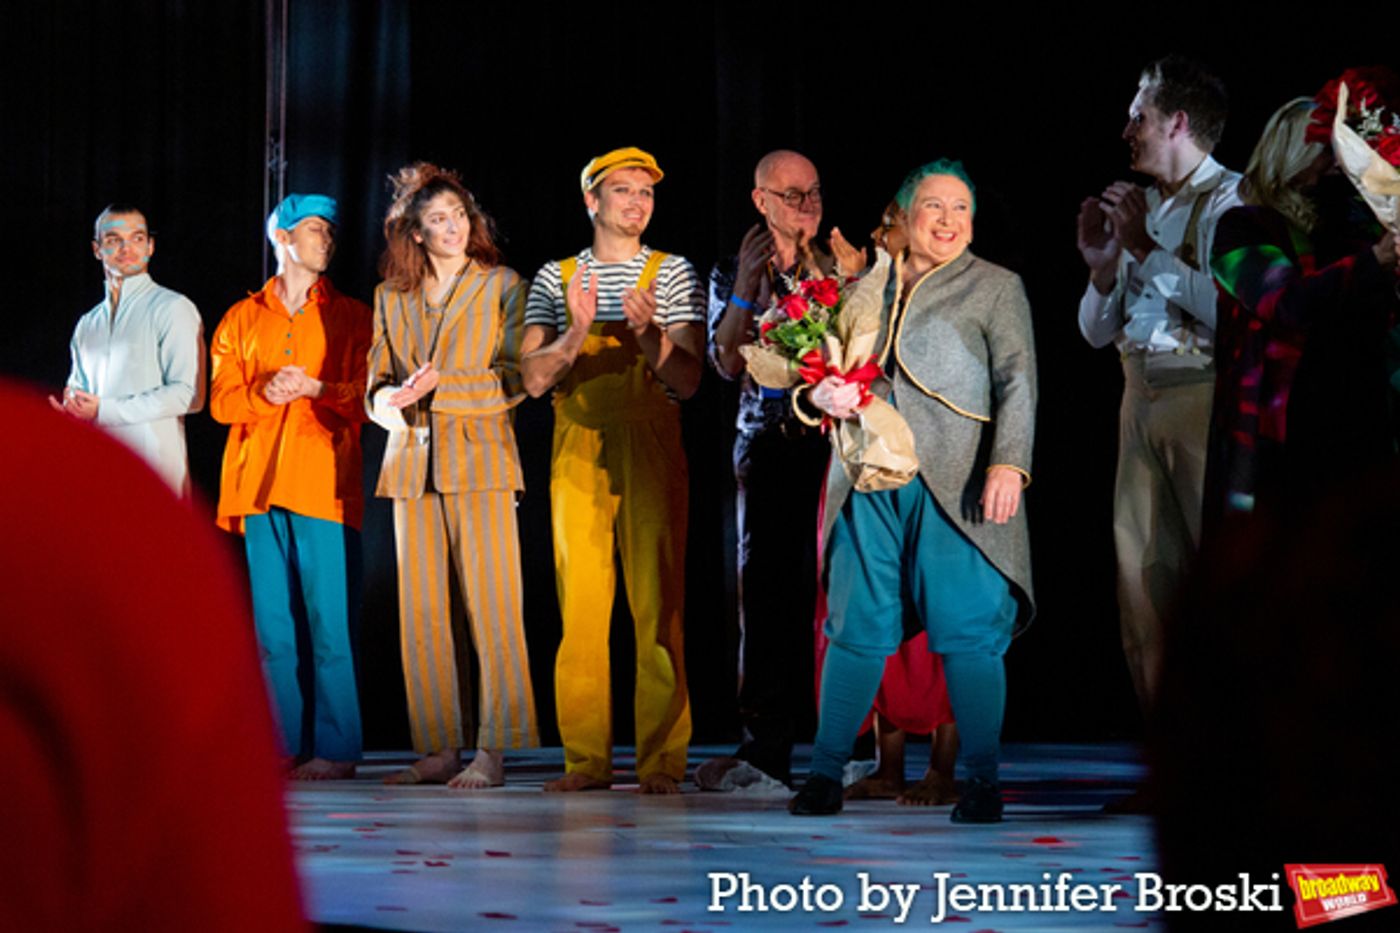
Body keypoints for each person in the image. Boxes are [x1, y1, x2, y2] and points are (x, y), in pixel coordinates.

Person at [3, 382, 306, 932]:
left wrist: (105, 409)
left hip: (164, 468)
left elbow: (189, 393)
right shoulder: (69, 482)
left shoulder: (87, 491)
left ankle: (330, 745)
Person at [790, 160, 1036, 823]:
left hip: (956, 481)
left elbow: (1017, 380)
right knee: (855, 624)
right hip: (867, 477)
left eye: (961, 208)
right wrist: (816, 396)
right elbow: (811, 367)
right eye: (934, 205)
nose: (948, 219)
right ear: (902, 214)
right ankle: (824, 775)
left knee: (968, 629)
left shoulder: (995, 287)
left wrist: (1009, 464)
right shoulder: (861, 286)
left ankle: (980, 781)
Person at [522, 146, 705, 794]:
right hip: (578, 444)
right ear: (591, 200)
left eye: (646, 192)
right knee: (580, 608)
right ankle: (585, 761)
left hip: (650, 439)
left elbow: (690, 378)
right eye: (623, 190)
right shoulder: (556, 277)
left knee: (659, 605)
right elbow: (533, 379)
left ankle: (661, 760)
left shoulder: (672, 271)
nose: (637, 202)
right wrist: (575, 331)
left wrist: (650, 332)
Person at [1075, 55, 1241, 712]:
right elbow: (1095, 333)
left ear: (1177, 123)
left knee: (1213, 574)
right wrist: (1102, 269)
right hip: (1136, 396)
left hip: (1201, 395)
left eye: (1138, 117)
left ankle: (1233, 742)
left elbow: (1232, 313)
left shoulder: (1233, 199)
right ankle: (1168, 743)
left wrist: (1144, 249)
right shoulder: (1142, 209)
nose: (1126, 131)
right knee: (1141, 576)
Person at [367, 163, 539, 788]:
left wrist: (441, 389)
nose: (453, 229)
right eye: (438, 221)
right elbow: (377, 381)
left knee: (493, 608)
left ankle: (494, 748)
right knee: (422, 614)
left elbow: (517, 377)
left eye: (459, 217)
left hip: (482, 461)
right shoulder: (391, 297)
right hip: (411, 464)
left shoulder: (502, 286)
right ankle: (439, 747)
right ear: (415, 233)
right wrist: (387, 402)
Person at [699, 149, 865, 789]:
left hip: (834, 444)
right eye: (791, 195)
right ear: (760, 201)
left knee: (842, 591)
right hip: (767, 443)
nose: (806, 206)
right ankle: (765, 747)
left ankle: (847, 744)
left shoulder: (838, 262)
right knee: (767, 599)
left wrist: (854, 283)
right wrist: (746, 286)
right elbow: (725, 363)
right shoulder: (734, 268)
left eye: (813, 192)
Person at [210, 194, 370, 780]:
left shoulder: (352, 315)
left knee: (329, 624)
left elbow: (368, 397)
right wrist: (263, 392)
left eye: (329, 231)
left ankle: (337, 748)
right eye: (314, 229)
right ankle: (278, 744)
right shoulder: (240, 317)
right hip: (256, 485)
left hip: (321, 479)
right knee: (271, 629)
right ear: (282, 237)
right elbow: (220, 402)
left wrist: (316, 389)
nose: (326, 239)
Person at [1206, 97, 1399, 528]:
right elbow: (1286, 303)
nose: (1342, 161)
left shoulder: (1358, 226)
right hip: (1285, 434)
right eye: (1329, 148)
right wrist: (1376, 260)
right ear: (1293, 152)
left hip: (1362, 423)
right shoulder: (1244, 227)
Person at [50, 204, 204, 497]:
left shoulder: (172, 307)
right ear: (97, 249)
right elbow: (80, 392)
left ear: (150, 247)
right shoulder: (88, 323)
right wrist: (71, 409)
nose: (126, 248)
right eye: (113, 240)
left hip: (154, 472)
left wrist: (104, 410)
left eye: (137, 238)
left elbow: (188, 395)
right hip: (97, 471)